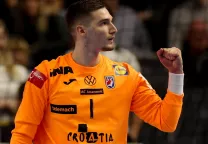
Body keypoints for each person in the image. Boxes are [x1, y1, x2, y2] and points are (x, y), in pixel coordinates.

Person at [10, 0, 184, 144]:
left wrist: (176, 74)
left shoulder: (125, 75)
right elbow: (22, 136)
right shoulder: (44, 74)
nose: (113, 29)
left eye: (111, 21)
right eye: (103, 23)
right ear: (81, 31)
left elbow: (166, 121)